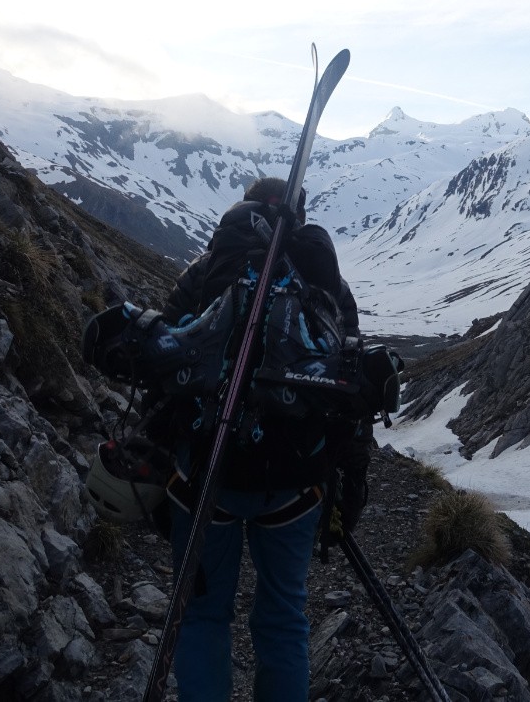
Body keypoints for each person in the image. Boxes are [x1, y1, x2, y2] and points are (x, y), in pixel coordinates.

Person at [155, 177, 371, 702]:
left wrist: (161, 460)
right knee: (283, 617)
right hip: (296, 485)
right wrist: (350, 483)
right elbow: (352, 391)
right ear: (299, 215)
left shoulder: (207, 271)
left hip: (204, 478)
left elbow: (164, 362)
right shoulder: (326, 284)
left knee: (203, 612)